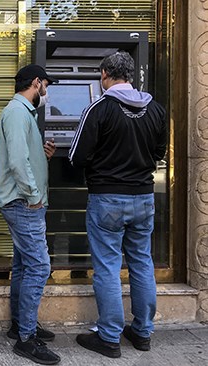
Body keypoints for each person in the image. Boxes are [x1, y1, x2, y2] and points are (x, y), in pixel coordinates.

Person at [69, 51, 168, 358]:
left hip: (108, 198)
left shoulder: (99, 108)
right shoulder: (156, 109)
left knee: (108, 267)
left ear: (104, 75)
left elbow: (76, 156)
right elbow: (159, 152)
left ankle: (109, 336)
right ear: (131, 75)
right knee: (141, 263)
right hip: (143, 197)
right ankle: (142, 332)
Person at [0, 64, 60, 365]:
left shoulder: (22, 113)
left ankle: (20, 326)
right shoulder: (18, 112)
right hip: (24, 203)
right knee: (39, 266)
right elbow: (18, 163)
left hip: (24, 202)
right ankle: (26, 340)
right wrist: (34, 197)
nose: (47, 90)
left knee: (23, 265)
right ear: (36, 82)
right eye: (46, 84)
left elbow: (24, 156)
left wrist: (42, 154)